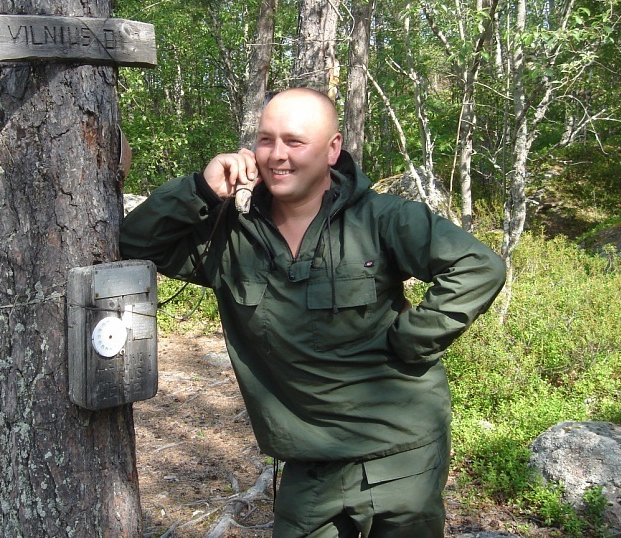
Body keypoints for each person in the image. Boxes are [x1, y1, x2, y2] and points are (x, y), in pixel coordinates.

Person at [120, 87, 506, 538]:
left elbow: (478, 266)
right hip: (310, 460)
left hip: (400, 450)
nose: (277, 155)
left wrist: (412, 340)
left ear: (332, 148)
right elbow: (135, 243)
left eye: (295, 141)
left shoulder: (380, 218)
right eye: (266, 140)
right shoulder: (230, 233)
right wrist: (200, 189)